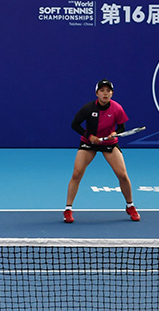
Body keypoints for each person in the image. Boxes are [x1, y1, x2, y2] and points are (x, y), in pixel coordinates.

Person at [65, 79, 140, 223]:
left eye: (108, 91)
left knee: (123, 175)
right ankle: (68, 209)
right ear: (97, 93)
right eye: (102, 91)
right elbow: (74, 124)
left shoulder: (117, 108)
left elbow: (122, 128)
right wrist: (90, 136)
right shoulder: (88, 108)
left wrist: (115, 133)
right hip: (89, 143)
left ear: (112, 93)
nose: (105, 93)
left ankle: (130, 206)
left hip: (109, 144)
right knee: (77, 173)